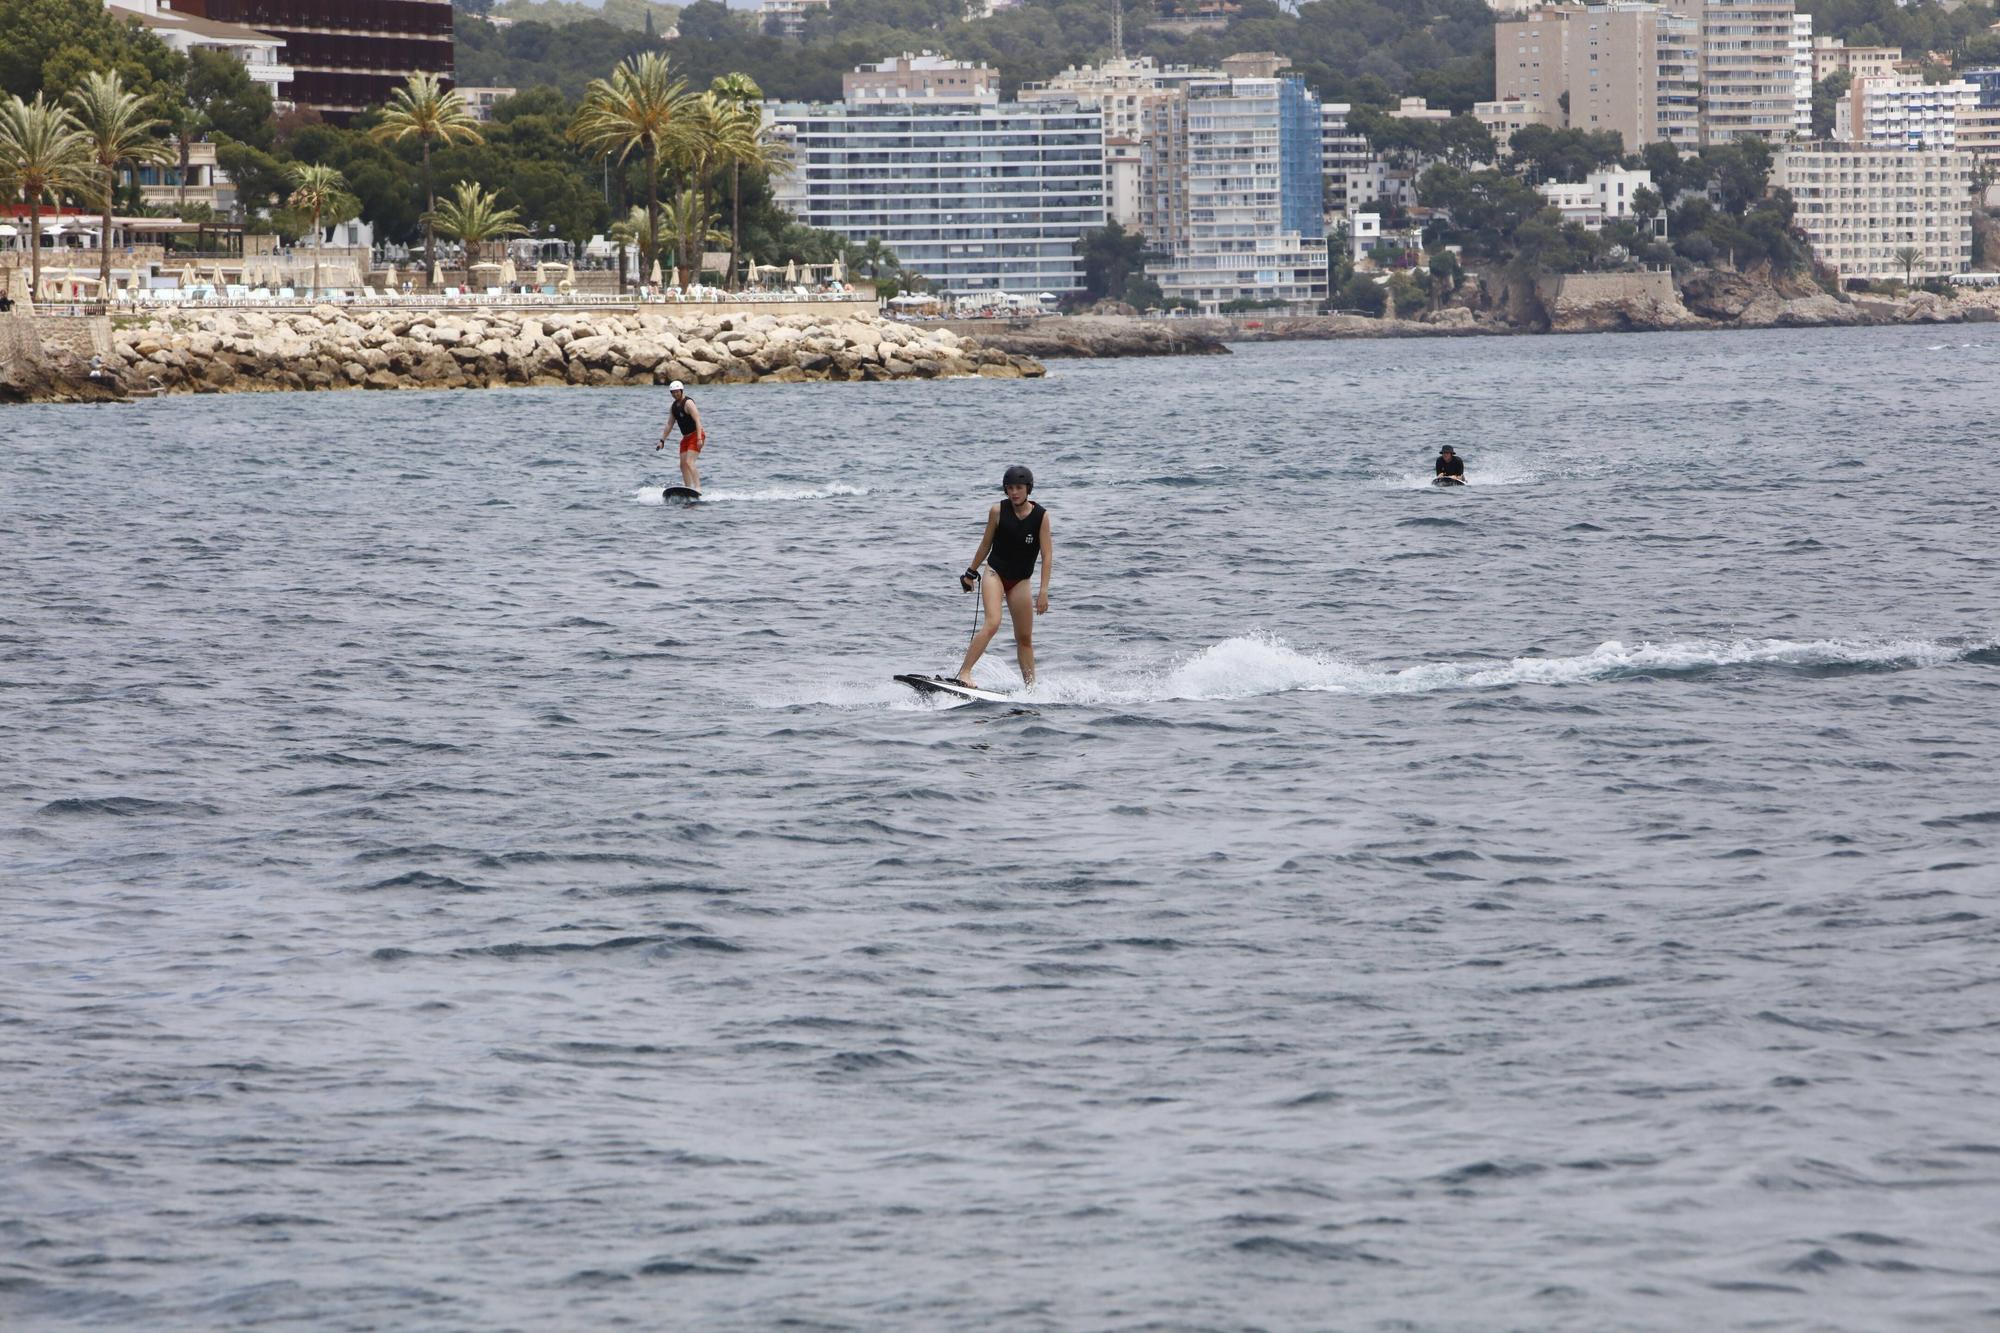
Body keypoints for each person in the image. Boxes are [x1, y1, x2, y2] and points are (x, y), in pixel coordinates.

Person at [952, 464, 1053, 690]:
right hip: (994, 573)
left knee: (1025, 638)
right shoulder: (997, 511)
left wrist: (1043, 591)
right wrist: (970, 572)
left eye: (1018, 487)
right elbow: (986, 544)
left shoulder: (1041, 516)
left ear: (1028, 489)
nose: (1014, 492)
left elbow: (1047, 556)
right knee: (993, 622)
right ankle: (964, 674)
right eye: (1009, 488)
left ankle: (1031, 689)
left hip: (1021, 581)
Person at [655, 380, 706, 491]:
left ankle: (698, 488)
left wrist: (699, 438)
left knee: (689, 462)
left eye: (677, 392)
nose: (675, 394)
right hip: (686, 438)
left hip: (696, 435)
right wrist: (662, 440)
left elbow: (697, 420)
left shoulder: (688, 403)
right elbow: (669, 424)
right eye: (672, 392)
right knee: (683, 465)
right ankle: (688, 489)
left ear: (681, 391)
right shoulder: (674, 407)